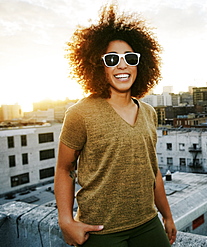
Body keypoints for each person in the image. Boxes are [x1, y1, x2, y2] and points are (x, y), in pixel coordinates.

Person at [54, 4, 177, 247]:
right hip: (101, 231)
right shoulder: (80, 114)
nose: (122, 65)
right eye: (112, 59)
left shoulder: (149, 113)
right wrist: (66, 221)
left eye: (130, 58)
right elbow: (64, 170)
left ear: (140, 64)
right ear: (98, 65)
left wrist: (167, 216)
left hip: (148, 224)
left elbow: (153, 171)